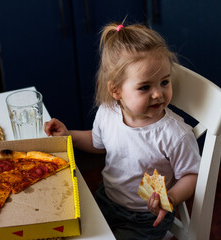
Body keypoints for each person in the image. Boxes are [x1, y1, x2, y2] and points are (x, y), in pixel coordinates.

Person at [44, 21, 201, 240]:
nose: (158, 94)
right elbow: (99, 143)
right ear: (116, 90)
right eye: (145, 87)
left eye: (164, 82)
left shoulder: (175, 134)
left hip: (146, 216)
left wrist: (171, 197)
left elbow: (192, 175)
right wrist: (69, 135)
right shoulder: (108, 113)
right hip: (107, 199)